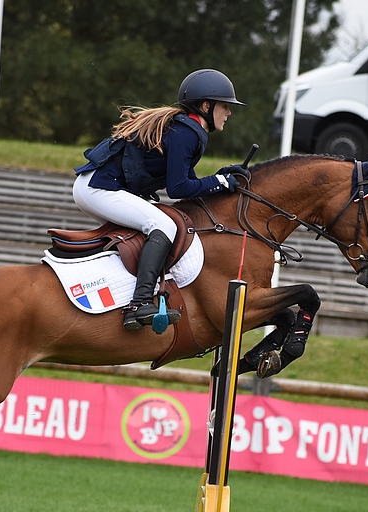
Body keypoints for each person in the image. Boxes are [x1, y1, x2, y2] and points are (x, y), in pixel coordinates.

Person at [73, 69, 247, 331]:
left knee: (155, 224)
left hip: (97, 186)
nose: (229, 113)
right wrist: (219, 183)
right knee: (164, 225)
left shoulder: (187, 129)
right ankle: (139, 303)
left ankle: (124, 293)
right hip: (99, 188)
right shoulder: (186, 133)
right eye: (225, 106)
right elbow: (178, 188)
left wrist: (218, 178)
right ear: (206, 106)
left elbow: (188, 182)